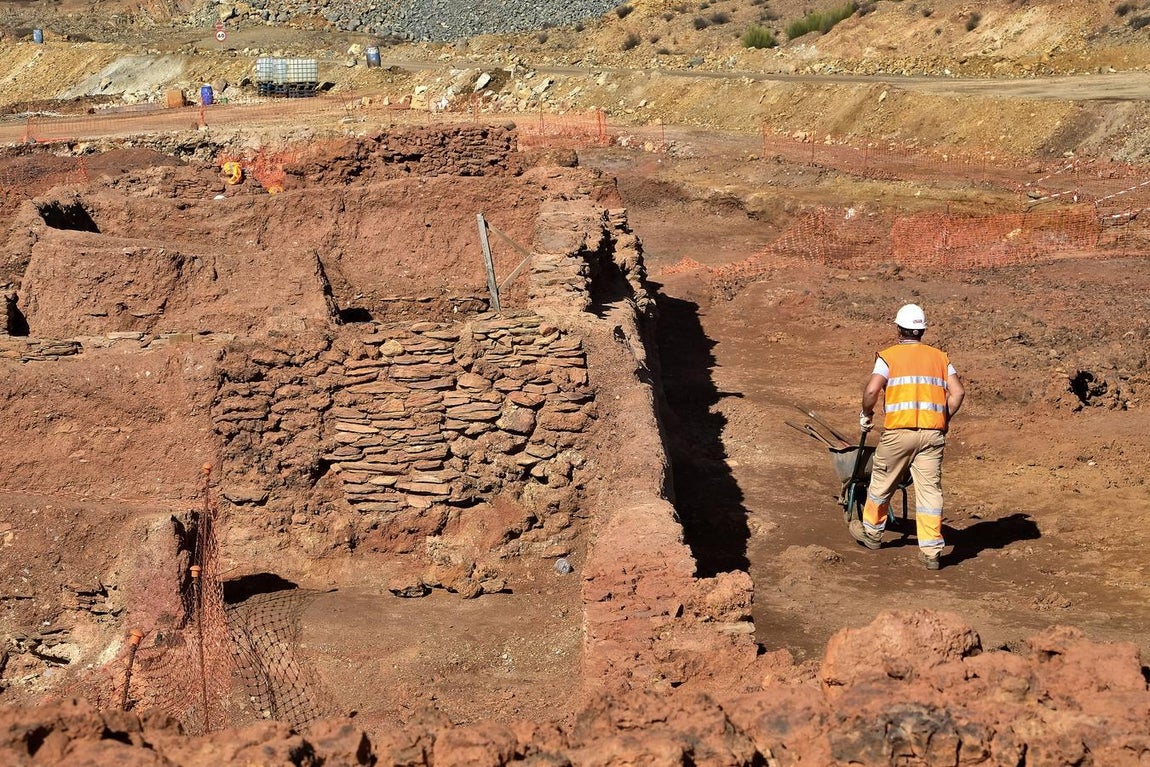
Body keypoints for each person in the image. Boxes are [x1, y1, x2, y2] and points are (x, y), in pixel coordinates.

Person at [852, 303, 965, 570]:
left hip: (898, 434)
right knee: (930, 492)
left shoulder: (888, 357)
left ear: (899, 329)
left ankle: (872, 533)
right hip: (932, 435)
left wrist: (866, 414)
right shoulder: (940, 358)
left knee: (882, 482)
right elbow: (958, 392)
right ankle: (931, 551)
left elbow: (872, 391)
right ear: (922, 330)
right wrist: (943, 418)